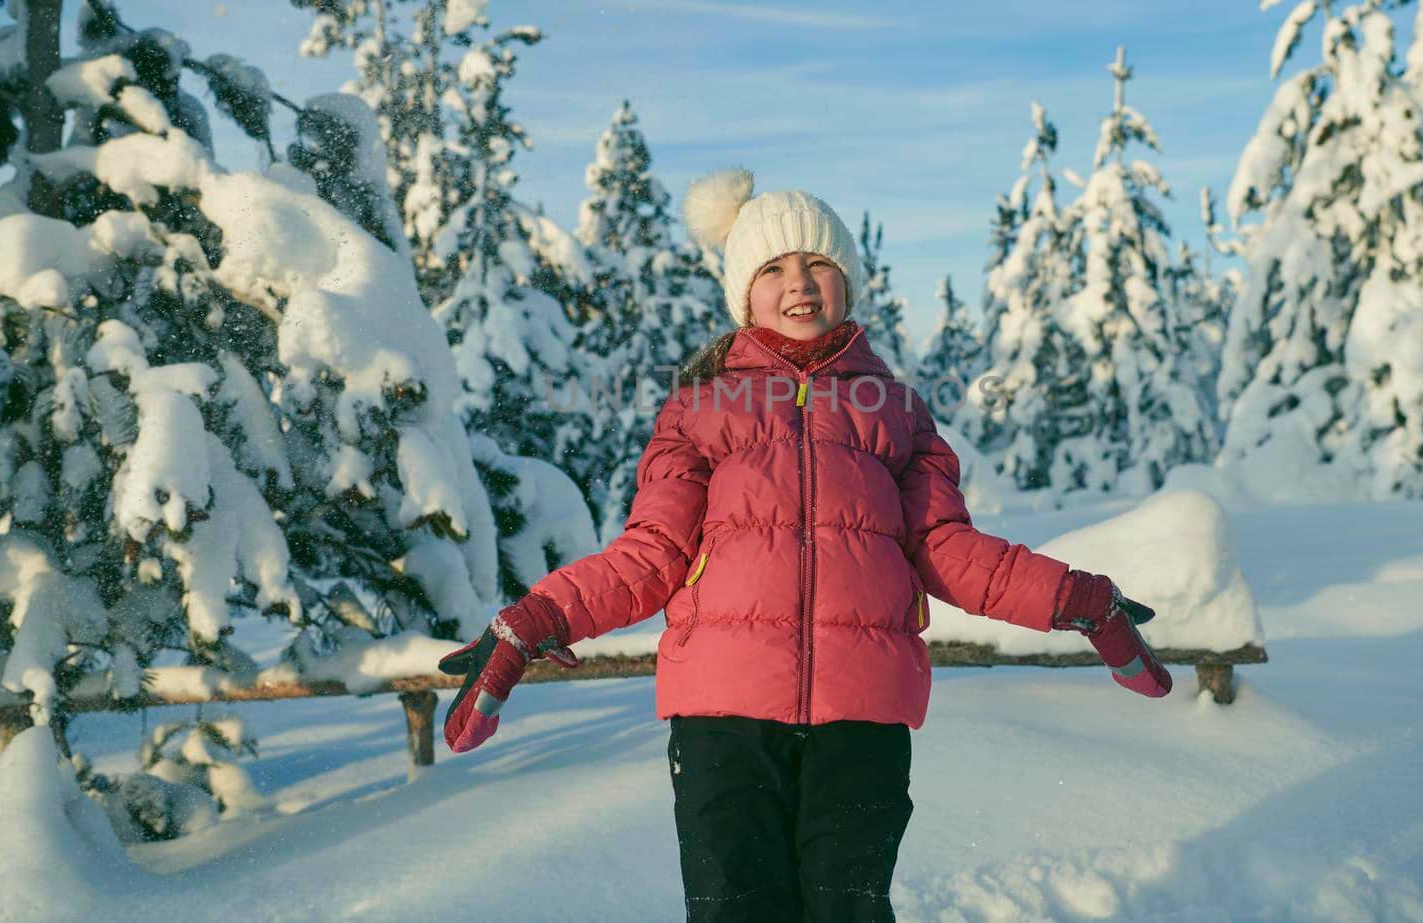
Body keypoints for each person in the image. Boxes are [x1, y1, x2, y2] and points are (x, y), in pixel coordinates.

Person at [437, 168, 1171, 922]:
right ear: (742, 293)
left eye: (819, 262)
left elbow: (949, 550)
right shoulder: (697, 410)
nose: (800, 283)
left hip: (861, 719)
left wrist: (1076, 598)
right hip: (724, 720)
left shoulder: (896, 414)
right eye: (773, 268)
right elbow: (648, 554)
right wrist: (534, 619)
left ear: (847, 283)